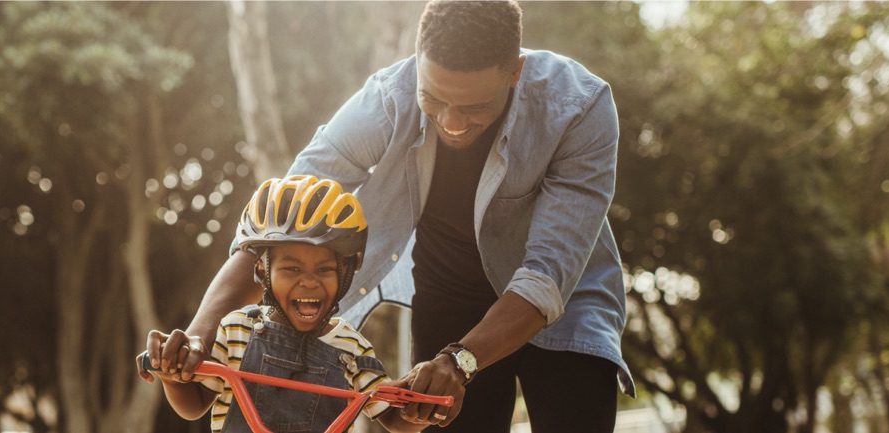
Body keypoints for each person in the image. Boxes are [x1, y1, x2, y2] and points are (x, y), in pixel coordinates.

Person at [179, 1, 635, 432]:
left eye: (474, 107)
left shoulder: (581, 108)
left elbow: (546, 275)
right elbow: (282, 219)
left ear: (516, 71)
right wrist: (200, 336)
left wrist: (463, 361)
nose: (453, 123)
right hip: (450, 297)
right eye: (434, 100)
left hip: (567, 305)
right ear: (418, 62)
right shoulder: (385, 99)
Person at [139, 176, 426, 433]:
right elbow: (194, 405)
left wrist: (419, 408)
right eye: (292, 269)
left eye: (325, 270)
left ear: (346, 272)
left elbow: (392, 416)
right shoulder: (236, 330)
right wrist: (172, 377)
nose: (310, 282)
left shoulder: (351, 347)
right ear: (263, 272)